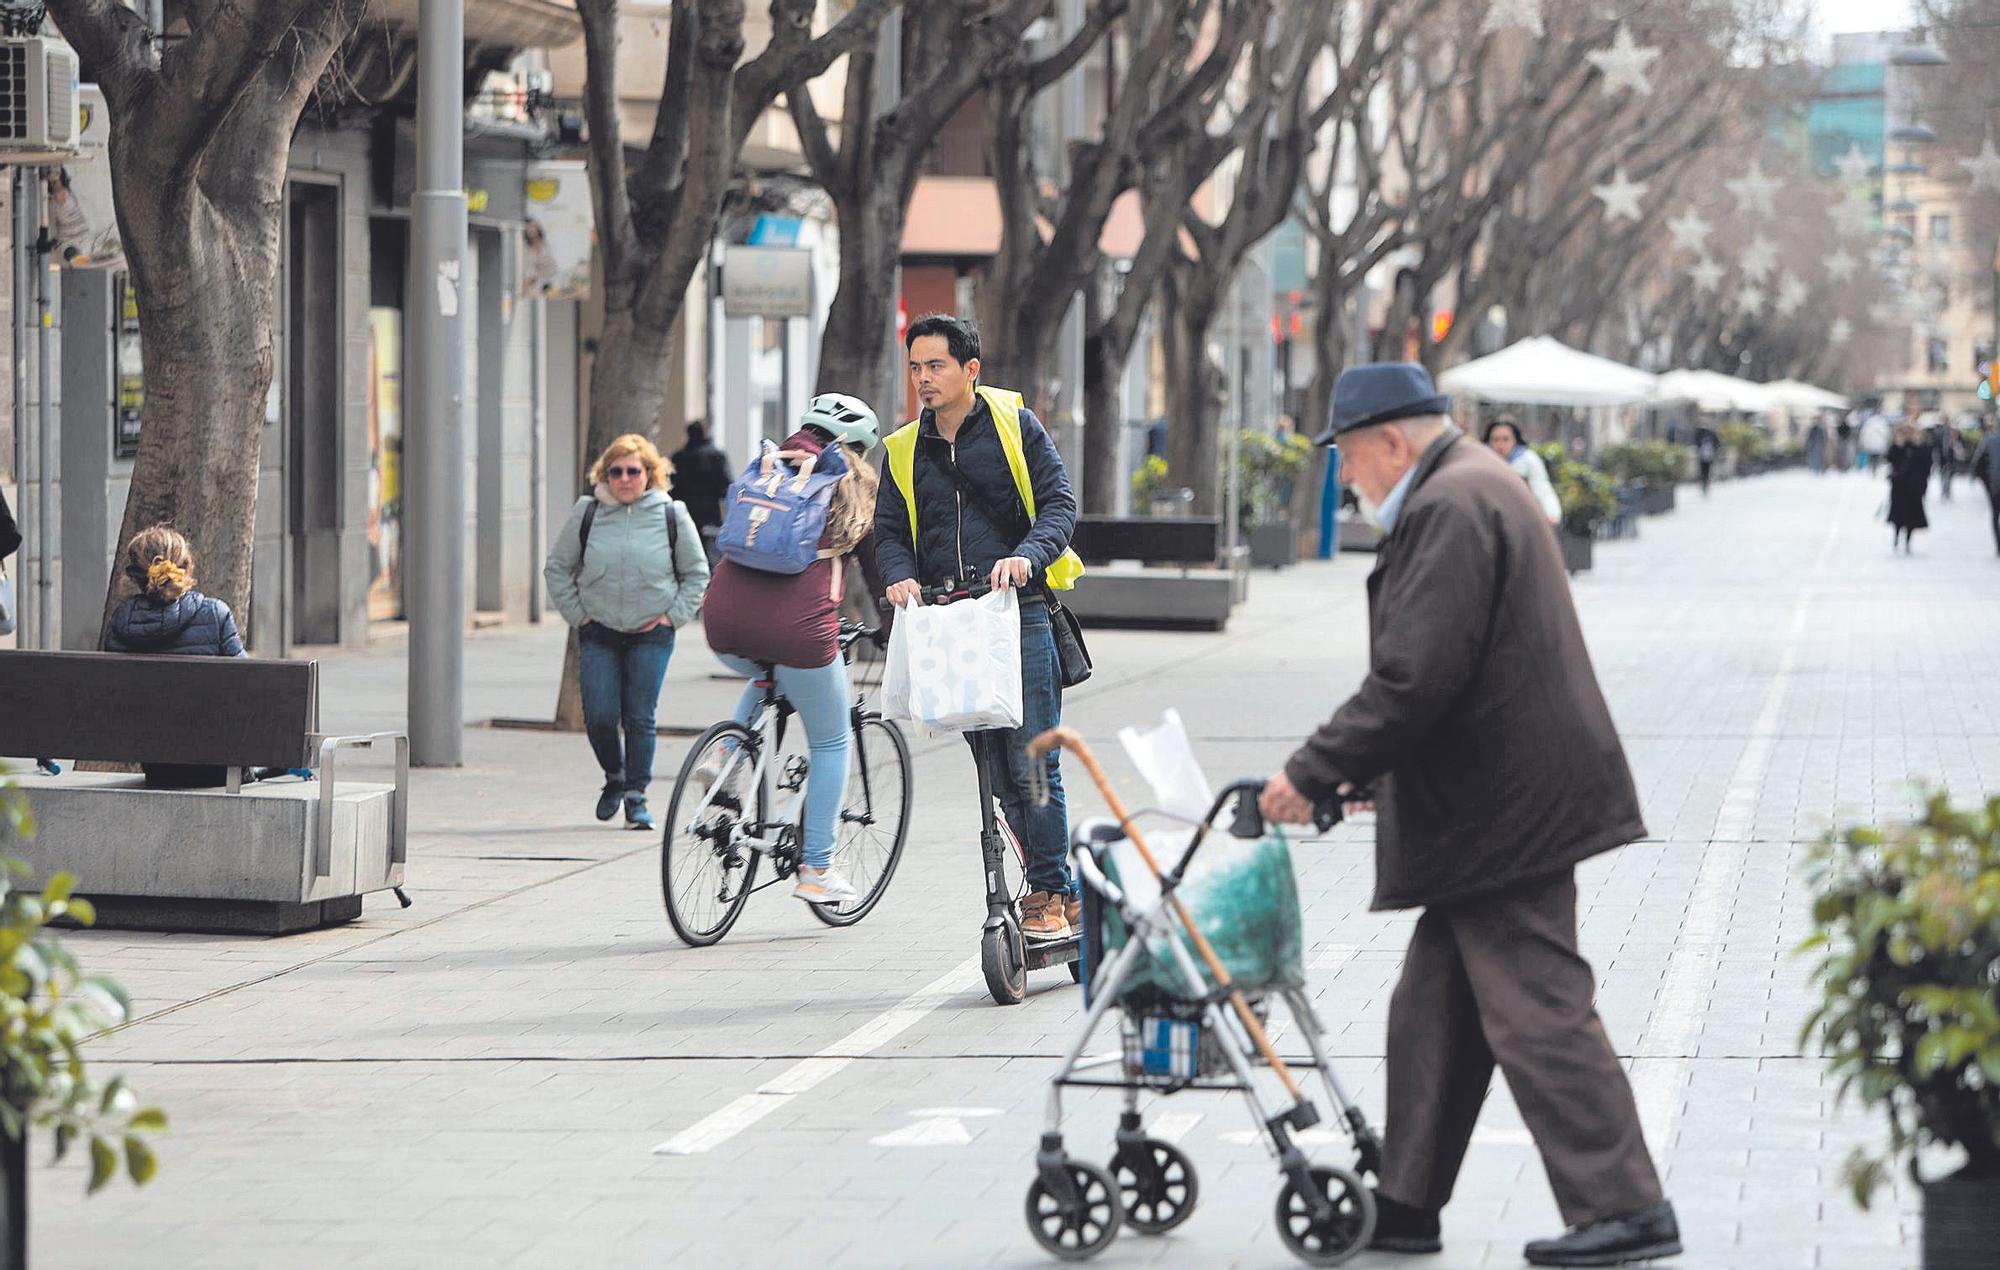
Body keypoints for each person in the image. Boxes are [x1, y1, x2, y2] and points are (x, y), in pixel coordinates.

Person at [1260, 363, 1679, 1269]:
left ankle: (1626, 1205)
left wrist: (1312, 771)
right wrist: (1368, 773)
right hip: (1496, 799)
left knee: (1539, 1010)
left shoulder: (1451, 503)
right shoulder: (1467, 487)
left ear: (1391, 442)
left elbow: (1414, 677)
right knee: (1432, 1012)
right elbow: (1446, 674)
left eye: (1352, 461)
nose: (1352, 480)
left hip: (1509, 810)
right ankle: (1407, 1203)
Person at [875, 314, 1083, 941]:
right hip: (949, 625)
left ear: (970, 369)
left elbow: (1059, 506)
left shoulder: (1016, 426)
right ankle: (1059, 886)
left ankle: (1047, 892)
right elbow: (888, 532)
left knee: (1033, 761)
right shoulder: (903, 448)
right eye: (915, 367)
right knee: (993, 767)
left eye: (935, 366)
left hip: (1018, 616)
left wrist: (1029, 556)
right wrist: (897, 576)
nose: (922, 379)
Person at [702, 394, 882, 905]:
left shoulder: (765, 463)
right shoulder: (853, 481)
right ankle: (818, 869)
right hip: (799, 631)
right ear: (856, 446)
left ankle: (725, 753)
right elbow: (873, 567)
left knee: (767, 673)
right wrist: (891, 627)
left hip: (721, 623)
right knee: (831, 741)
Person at [544, 434, 710, 830]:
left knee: (639, 717)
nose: (623, 479)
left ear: (649, 474)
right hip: (598, 631)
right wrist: (579, 616)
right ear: (605, 475)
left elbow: (696, 573)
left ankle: (636, 797)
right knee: (600, 716)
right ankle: (614, 777)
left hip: (652, 633)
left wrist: (673, 617)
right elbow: (557, 568)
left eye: (632, 471)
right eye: (615, 472)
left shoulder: (672, 513)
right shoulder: (587, 512)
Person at [102, 526, 248, 788]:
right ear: (187, 566)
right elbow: (251, 685)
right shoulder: (215, 613)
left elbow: (112, 697)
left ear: (134, 576)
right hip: (216, 762)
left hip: (156, 763)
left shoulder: (120, 623)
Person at [1481, 416, 1560, 525]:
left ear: (1515, 440)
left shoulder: (1528, 460)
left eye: (1505, 439)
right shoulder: (1481, 461)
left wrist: (1551, 513)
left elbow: (1542, 487)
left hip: (1521, 521)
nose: (1500, 445)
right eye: (1495, 439)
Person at [670, 421, 733, 548]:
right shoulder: (717, 456)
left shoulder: (679, 457)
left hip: (684, 511)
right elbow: (725, 487)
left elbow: (673, 485)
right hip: (710, 513)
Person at [1885, 421, 1933, 555]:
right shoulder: (1898, 447)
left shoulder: (1919, 448)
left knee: (1911, 517)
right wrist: (1897, 443)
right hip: (1899, 487)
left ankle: (1907, 541)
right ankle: (1896, 537)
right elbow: (1890, 458)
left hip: (1914, 488)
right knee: (1898, 516)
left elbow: (1926, 465)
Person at [1970, 422, 2000, 556]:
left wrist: (1985, 481)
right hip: (1994, 484)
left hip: (1994, 486)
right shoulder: (1990, 440)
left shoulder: (1989, 439)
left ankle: (1998, 545)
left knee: (1995, 515)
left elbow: (1977, 462)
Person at [1693, 423, 1720, 495]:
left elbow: (1717, 443)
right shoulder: (1701, 433)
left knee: (1705, 471)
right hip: (1703, 456)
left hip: (1708, 456)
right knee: (1704, 471)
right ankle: (1704, 484)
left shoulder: (1709, 434)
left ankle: (1705, 484)